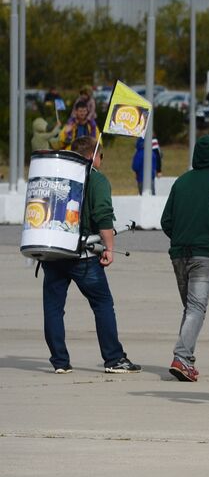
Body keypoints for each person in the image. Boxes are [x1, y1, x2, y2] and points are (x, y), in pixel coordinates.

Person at [40, 137, 141, 375]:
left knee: (53, 308)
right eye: (101, 158)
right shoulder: (95, 178)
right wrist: (108, 248)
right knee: (102, 303)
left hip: (52, 252)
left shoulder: (57, 176)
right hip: (83, 256)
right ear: (93, 156)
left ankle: (60, 362)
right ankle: (114, 359)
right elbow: (103, 216)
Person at [160, 134, 209, 382]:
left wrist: (181, 238)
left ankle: (185, 361)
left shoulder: (180, 182)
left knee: (191, 308)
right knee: (196, 308)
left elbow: (166, 221)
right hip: (205, 254)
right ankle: (181, 357)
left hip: (179, 255)